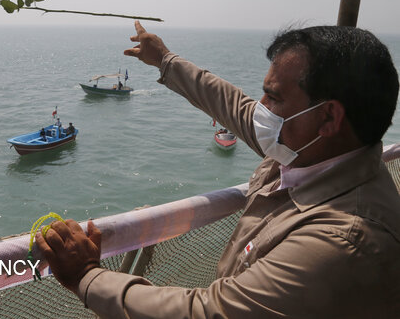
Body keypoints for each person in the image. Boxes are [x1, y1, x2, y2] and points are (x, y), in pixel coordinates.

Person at [36, 21, 400, 318]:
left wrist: (86, 276)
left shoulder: (344, 240)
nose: (261, 108)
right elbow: (232, 106)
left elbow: (208, 312)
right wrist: (164, 60)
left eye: (274, 97)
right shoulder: (309, 150)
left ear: (329, 117)